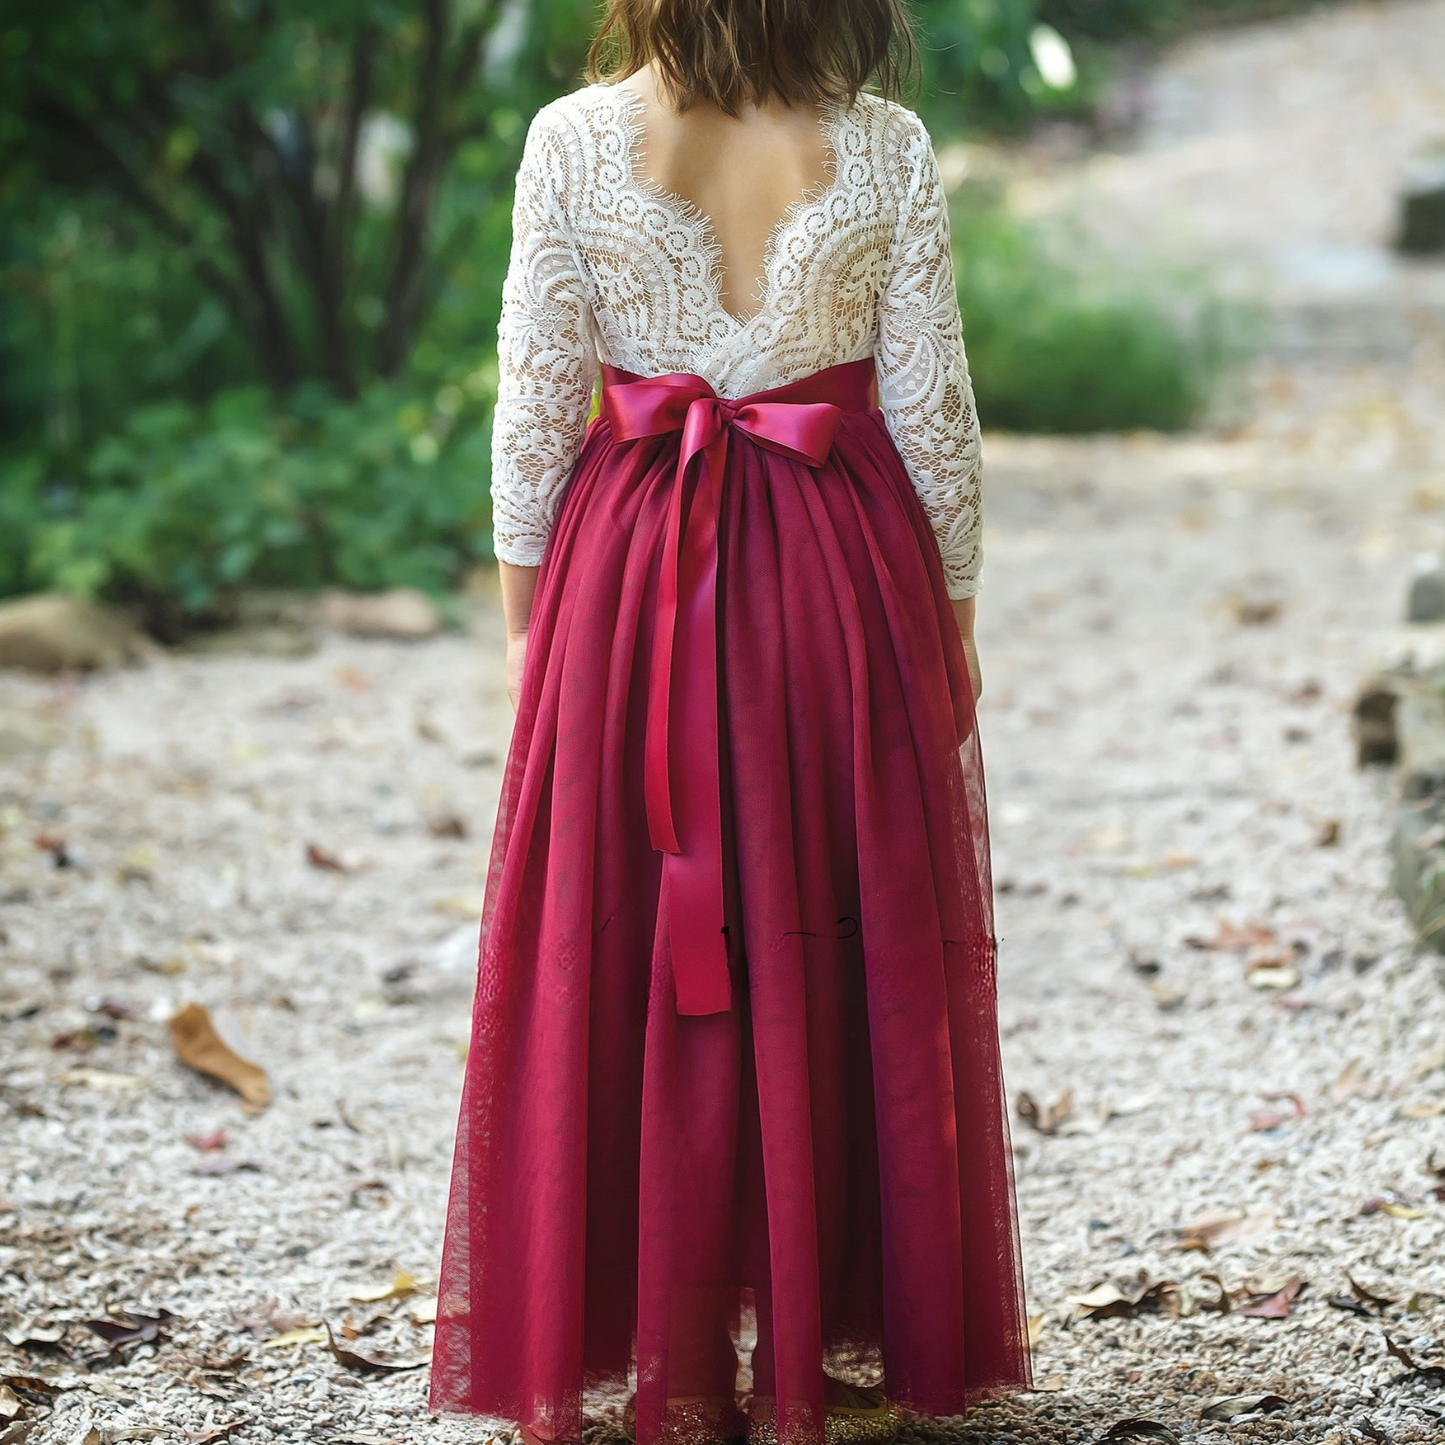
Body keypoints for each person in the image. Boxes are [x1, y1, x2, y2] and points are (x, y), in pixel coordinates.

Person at [428, 3, 1033, 1443]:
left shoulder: (571, 142)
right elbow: (934, 419)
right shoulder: (883, 149)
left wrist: (533, 642)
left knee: (636, 933)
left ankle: (668, 1350)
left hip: (632, 575)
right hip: (839, 573)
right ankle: (808, 1343)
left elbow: (533, 413)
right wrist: (949, 630)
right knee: (832, 924)